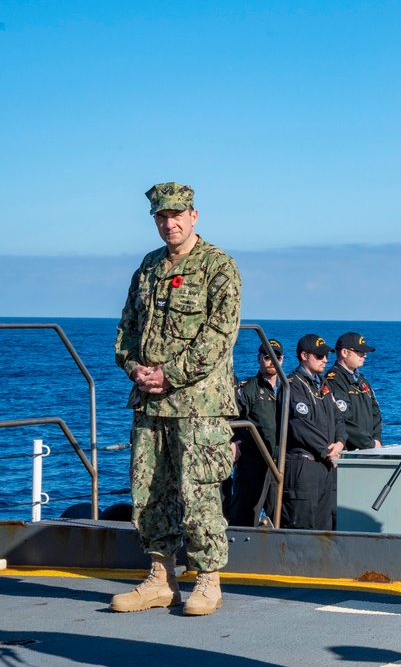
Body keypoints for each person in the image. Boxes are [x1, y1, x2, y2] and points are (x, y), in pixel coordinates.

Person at [112, 182, 241, 617]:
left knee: (199, 491)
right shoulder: (148, 268)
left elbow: (219, 337)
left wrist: (171, 374)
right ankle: (160, 578)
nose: (170, 223)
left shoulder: (219, 267)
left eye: (177, 215)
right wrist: (136, 369)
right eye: (161, 217)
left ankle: (208, 580)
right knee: (148, 489)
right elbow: (127, 329)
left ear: (194, 215)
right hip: (149, 402)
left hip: (198, 405)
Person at [282, 334, 347, 530]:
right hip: (304, 464)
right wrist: (327, 450)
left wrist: (340, 442)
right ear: (304, 355)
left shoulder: (323, 385)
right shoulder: (293, 385)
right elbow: (301, 426)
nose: (325, 360)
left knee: (324, 525)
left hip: (324, 464)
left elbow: (338, 417)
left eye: (326, 355)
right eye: (319, 356)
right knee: (301, 524)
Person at [229, 339, 284, 527]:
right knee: (245, 512)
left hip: (280, 461)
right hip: (254, 461)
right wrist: (237, 444)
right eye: (268, 358)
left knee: (281, 515)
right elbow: (236, 420)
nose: (272, 362)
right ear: (259, 358)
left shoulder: (289, 389)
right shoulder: (248, 388)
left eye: (277, 357)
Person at [325, 332, 383, 451]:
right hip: (350, 451)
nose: (364, 355)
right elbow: (344, 420)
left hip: (369, 449)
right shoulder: (334, 381)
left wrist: (377, 439)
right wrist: (370, 444)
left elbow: (375, 412)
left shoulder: (362, 381)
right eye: (359, 352)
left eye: (364, 352)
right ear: (345, 352)